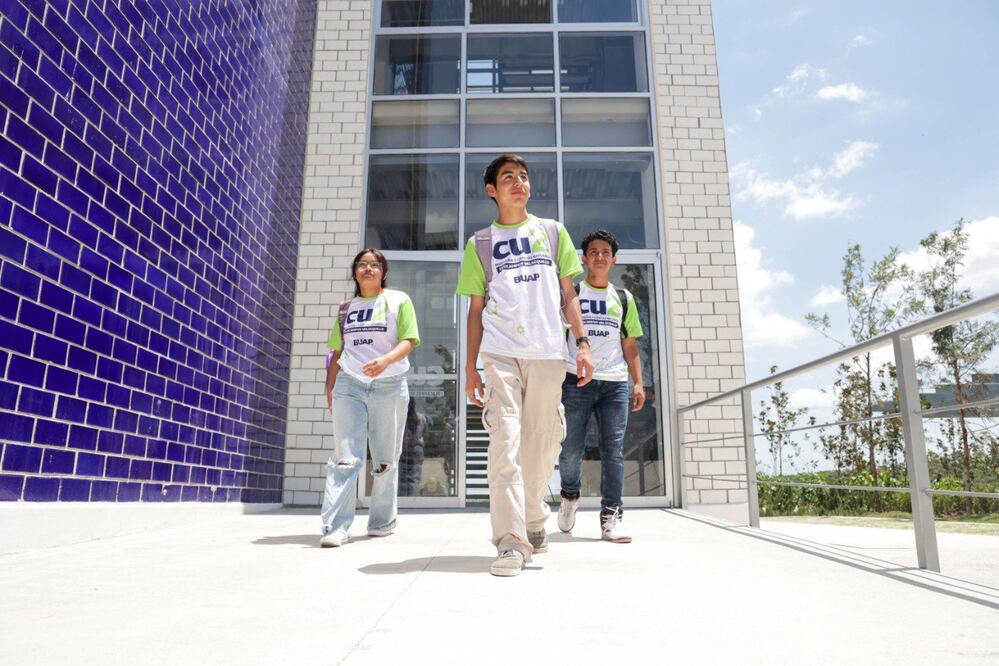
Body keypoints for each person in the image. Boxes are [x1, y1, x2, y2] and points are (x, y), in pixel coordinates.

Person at [456, 154, 594, 576]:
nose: (519, 183)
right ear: (492, 191)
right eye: (508, 178)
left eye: (523, 177)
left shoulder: (552, 232)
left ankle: (534, 517)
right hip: (500, 353)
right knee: (505, 443)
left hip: (549, 352)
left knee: (542, 445)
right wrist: (470, 367)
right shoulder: (480, 242)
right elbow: (476, 309)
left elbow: (569, 294)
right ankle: (511, 541)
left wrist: (583, 343)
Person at [320, 249, 420, 547]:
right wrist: (330, 387)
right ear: (355, 273)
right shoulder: (346, 308)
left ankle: (382, 521)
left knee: (385, 459)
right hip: (349, 385)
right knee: (345, 457)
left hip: (388, 384)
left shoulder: (398, 300)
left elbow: (410, 339)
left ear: (383, 272)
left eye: (374, 265)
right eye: (362, 265)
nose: (368, 269)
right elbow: (336, 353)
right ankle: (336, 527)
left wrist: (385, 361)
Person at [557, 230, 645, 543]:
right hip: (576, 380)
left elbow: (630, 344)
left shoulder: (623, 298)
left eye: (605, 252)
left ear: (613, 259)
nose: (599, 256)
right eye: (593, 251)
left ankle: (611, 516)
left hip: (615, 384)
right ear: (584, 258)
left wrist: (638, 383)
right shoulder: (572, 294)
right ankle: (569, 494)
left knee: (614, 451)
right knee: (569, 450)